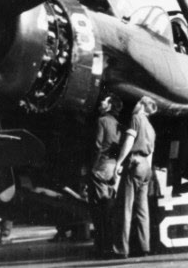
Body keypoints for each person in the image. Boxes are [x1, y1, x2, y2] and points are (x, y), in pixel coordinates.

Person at [111, 96, 157, 258]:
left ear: (143, 105)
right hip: (146, 168)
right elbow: (151, 153)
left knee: (125, 207)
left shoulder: (136, 118)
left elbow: (129, 141)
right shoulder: (151, 128)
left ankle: (121, 250)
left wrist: (119, 162)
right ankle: (145, 247)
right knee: (143, 209)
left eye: (138, 102)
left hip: (135, 163)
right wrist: (148, 172)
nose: (135, 104)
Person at [88, 93, 122, 257]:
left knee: (99, 209)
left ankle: (103, 247)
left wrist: (93, 167)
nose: (101, 101)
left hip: (101, 166)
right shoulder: (116, 123)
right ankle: (111, 244)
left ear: (109, 106)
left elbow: (97, 145)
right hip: (113, 166)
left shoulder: (102, 121)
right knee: (109, 207)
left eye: (105, 101)